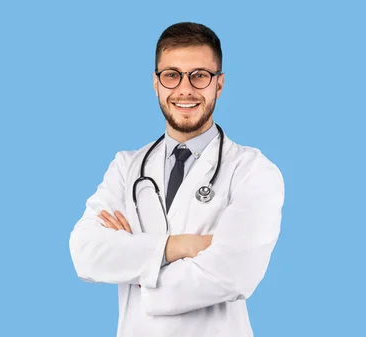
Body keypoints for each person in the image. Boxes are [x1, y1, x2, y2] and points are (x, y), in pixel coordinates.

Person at [68, 22, 285, 337]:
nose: (185, 89)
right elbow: (85, 253)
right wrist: (179, 246)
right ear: (156, 84)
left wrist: (137, 270)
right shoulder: (125, 167)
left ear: (219, 85)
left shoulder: (254, 171)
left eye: (199, 75)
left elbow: (234, 273)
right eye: (171, 75)